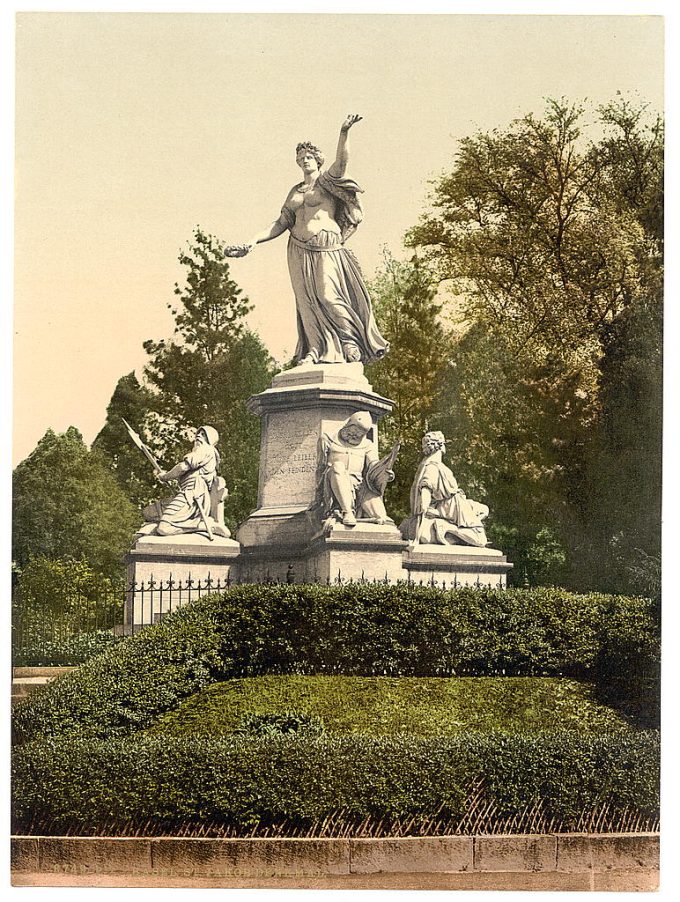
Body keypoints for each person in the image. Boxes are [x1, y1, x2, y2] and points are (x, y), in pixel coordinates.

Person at [225, 115, 388, 366]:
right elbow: (281, 222)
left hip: (326, 246)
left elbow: (342, 163)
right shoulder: (295, 191)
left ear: (318, 159)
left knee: (327, 295)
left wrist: (344, 132)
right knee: (306, 303)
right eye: (300, 159)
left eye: (308, 157)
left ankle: (349, 342)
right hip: (298, 250)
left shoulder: (327, 182)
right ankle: (314, 350)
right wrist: (253, 242)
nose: (304, 161)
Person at [402, 431, 489, 547]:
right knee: (480, 540)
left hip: (449, 506)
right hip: (454, 508)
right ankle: (448, 528)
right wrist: (424, 508)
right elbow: (426, 488)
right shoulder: (432, 466)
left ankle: (449, 528)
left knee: (483, 509)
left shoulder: (429, 464)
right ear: (441, 445)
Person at [147, 426, 230, 538]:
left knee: (163, 528)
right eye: (198, 434)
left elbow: (183, 467)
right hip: (189, 494)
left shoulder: (206, 449)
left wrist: (165, 476)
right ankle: (199, 525)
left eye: (203, 434)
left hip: (193, 496)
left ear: (210, 439)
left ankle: (207, 526)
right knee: (149, 512)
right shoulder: (205, 452)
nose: (198, 436)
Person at [316, 411, 395, 527]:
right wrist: (318, 496)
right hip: (334, 480)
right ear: (348, 424)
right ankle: (347, 511)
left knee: (382, 519)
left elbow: (374, 465)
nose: (355, 436)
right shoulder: (327, 439)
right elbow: (320, 467)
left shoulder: (368, 445)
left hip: (359, 484)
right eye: (354, 431)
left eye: (360, 434)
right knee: (338, 466)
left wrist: (385, 472)